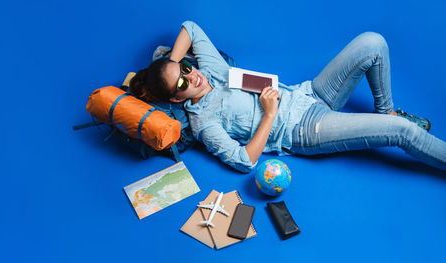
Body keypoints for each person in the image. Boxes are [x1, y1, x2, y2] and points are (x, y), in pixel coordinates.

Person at [129, 21, 446, 173]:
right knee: (404, 133)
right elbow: (243, 162)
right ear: (175, 100)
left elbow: (191, 28)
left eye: (185, 68)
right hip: (305, 129)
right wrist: (268, 114)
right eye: (182, 84)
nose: (191, 76)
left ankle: (386, 112)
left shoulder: (211, 70)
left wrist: (171, 65)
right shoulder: (204, 123)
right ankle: (400, 128)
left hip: (308, 92)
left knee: (372, 43)